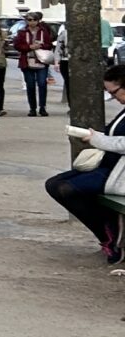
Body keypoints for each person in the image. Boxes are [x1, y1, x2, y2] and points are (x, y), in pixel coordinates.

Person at [45, 62, 125, 264]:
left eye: (114, 93)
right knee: (55, 184)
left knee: (66, 188)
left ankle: (111, 236)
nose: (113, 98)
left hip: (119, 173)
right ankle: (109, 233)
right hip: (110, 167)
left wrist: (96, 139)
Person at [15, 10, 59, 117]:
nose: (32, 22)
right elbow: (17, 45)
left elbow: (49, 45)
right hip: (27, 61)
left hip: (41, 61)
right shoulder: (22, 32)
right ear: (26, 21)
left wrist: (40, 46)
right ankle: (32, 108)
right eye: (29, 20)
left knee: (42, 84)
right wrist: (29, 47)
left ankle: (42, 107)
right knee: (30, 85)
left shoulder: (43, 31)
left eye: (34, 20)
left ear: (38, 21)